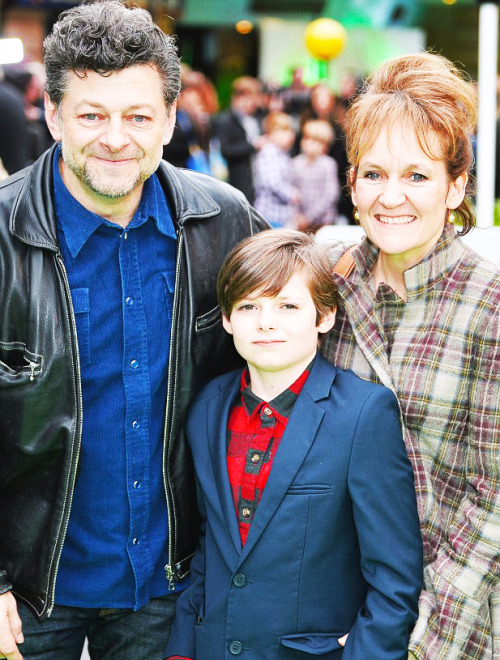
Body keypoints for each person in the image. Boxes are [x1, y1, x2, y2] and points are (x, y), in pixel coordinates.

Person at [0, 2, 268, 659]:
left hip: (166, 587)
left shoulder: (224, 222)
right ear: (54, 115)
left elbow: (290, 366)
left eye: (138, 116)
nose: (116, 137)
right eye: (92, 115)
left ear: (171, 120)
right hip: (26, 592)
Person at [164, 229, 423, 660]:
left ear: (323, 317)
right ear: (227, 319)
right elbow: (210, 547)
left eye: (287, 306)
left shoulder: (362, 414)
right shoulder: (207, 407)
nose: (267, 322)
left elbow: (393, 577)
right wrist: (182, 651)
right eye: (249, 306)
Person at [322, 52, 500, 659]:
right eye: (372, 174)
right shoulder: (331, 288)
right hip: (345, 616)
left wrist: (421, 642)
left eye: (417, 176)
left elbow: (492, 505)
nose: (390, 197)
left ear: (456, 187)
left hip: (459, 624)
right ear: (351, 184)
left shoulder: (489, 307)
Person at [212, 76, 263, 203]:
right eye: (250, 98)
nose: (254, 103)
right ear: (238, 98)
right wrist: (252, 145)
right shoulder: (225, 120)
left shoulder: (255, 118)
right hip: (235, 180)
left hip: (254, 180)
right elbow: (226, 150)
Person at [291, 119, 339, 231]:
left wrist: (309, 217)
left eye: (316, 141)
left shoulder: (328, 164)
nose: (309, 144)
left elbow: (330, 195)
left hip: (323, 222)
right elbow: (293, 192)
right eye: (307, 139)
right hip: (300, 222)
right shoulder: (295, 163)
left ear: (325, 146)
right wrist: (297, 216)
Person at [253, 111, 299, 228]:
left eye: (290, 131)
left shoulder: (282, 153)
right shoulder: (269, 152)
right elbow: (272, 182)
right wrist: (292, 194)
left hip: (282, 216)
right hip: (269, 215)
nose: (290, 135)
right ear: (271, 133)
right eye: (284, 131)